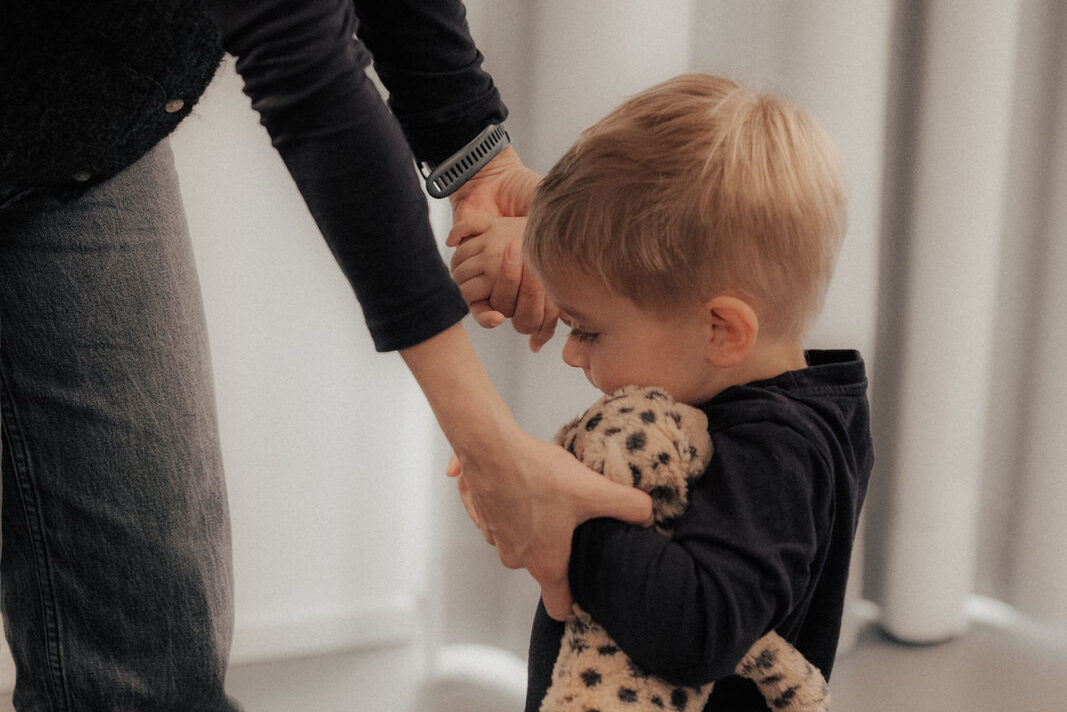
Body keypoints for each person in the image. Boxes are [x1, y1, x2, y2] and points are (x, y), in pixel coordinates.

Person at [0, 1, 650, 709]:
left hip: (81, 137)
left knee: (150, 667)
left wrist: (475, 157)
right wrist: (490, 445)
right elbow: (302, 65)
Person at [449, 73, 874, 711]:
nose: (571, 352)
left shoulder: (779, 457)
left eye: (588, 330)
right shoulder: (734, 387)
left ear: (721, 329)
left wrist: (559, 509)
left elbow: (700, 630)